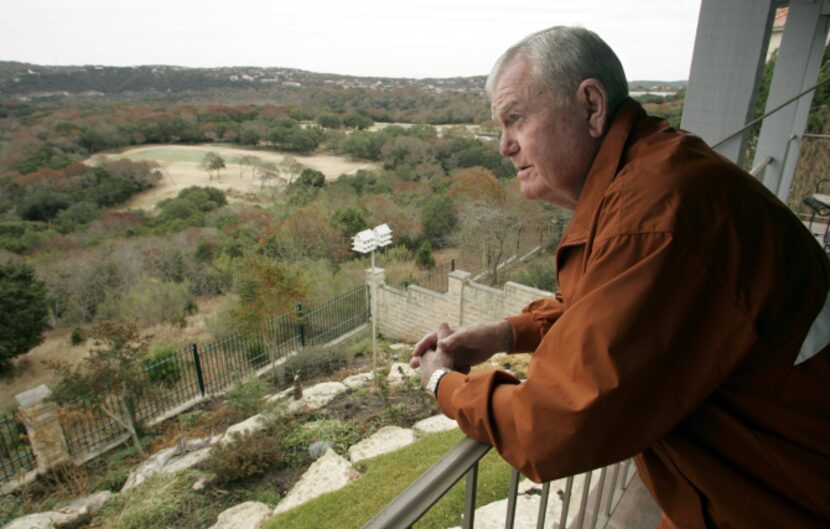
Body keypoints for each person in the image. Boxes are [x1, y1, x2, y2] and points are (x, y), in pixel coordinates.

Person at [410, 26, 830, 529]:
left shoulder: (653, 217)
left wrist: (443, 384)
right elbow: (611, 305)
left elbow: (551, 427)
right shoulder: (647, 174)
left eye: (515, 119)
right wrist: (507, 333)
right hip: (737, 482)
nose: (504, 146)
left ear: (591, 105)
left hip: (783, 496)